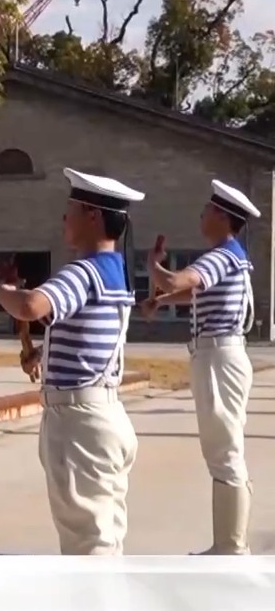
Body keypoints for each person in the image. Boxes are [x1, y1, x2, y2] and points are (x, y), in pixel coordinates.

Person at [0, 168, 143, 555]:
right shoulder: (116, 273)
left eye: (70, 210)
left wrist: (4, 292)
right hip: (104, 415)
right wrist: (41, 353)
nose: (64, 218)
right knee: (104, 539)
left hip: (80, 425)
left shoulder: (84, 271)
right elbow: (81, 335)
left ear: (92, 215)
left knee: (88, 548)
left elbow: (32, 306)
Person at [143, 179, 258, 555]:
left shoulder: (221, 255)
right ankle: (228, 543)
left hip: (218, 357)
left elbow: (178, 280)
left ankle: (231, 547)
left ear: (222, 217)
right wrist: (162, 301)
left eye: (207, 210)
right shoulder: (232, 256)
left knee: (224, 452)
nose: (201, 215)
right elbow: (192, 291)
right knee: (224, 449)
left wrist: (154, 266)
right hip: (221, 355)